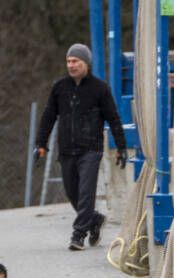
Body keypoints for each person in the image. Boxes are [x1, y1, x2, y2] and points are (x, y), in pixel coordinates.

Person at [34, 43, 128, 252]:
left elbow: (113, 118)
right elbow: (48, 116)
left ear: (86, 63)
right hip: (67, 150)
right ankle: (94, 220)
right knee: (73, 194)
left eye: (75, 61)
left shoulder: (99, 89)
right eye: (68, 61)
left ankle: (78, 235)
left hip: (90, 150)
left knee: (86, 193)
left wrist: (121, 146)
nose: (71, 65)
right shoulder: (59, 88)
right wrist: (41, 144)